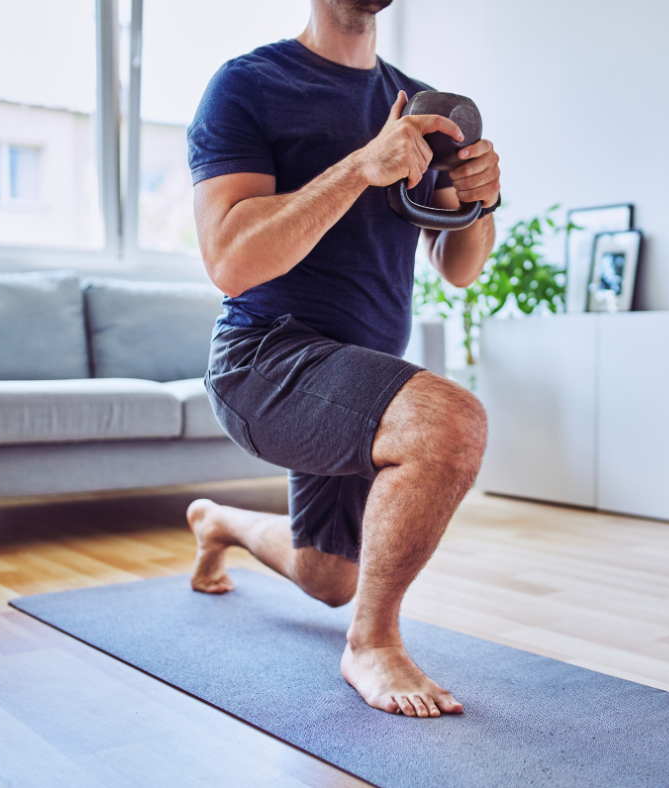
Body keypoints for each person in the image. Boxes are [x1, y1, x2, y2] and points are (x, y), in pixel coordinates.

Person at [185, 0, 501, 719]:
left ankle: (217, 522)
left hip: (354, 376)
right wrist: (362, 166)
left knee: (329, 577)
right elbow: (232, 260)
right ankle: (373, 644)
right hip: (263, 359)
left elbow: (460, 267)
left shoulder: (417, 104)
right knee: (448, 424)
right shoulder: (247, 85)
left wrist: (481, 202)